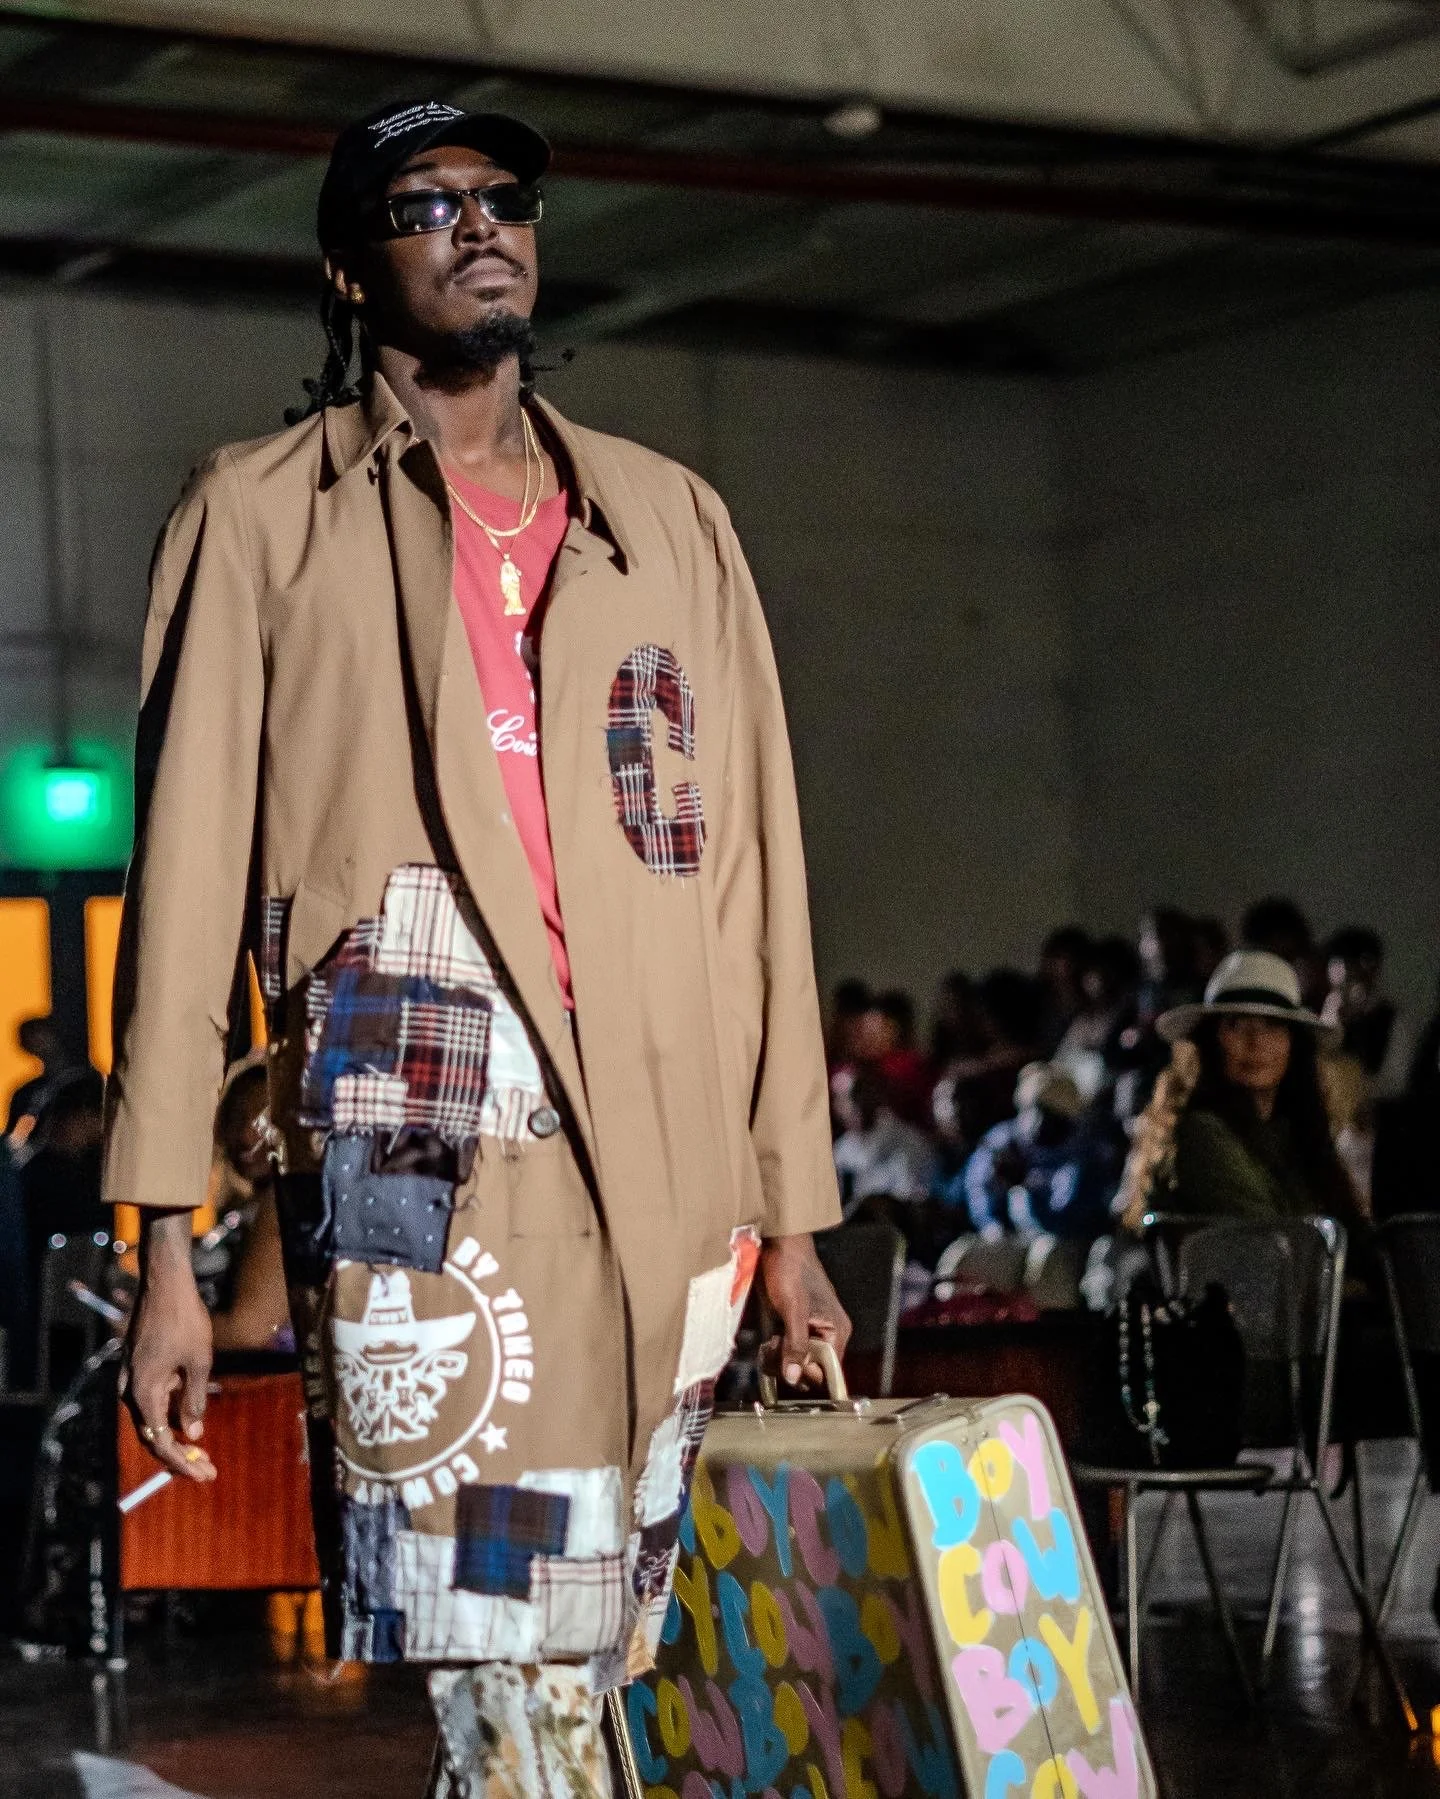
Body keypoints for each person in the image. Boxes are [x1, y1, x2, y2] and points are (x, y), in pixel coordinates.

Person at [105, 101, 847, 1795]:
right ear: (347, 269)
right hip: (422, 1150)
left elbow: (757, 884)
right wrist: (166, 1248)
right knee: (496, 1654)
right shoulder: (260, 516)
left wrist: (793, 1214)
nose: (480, 224)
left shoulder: (670, 519)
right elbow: (186, 896)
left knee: (605, 1657)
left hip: (667, 1149)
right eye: (425, 204)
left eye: (504, 196)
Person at [1118, 949, 1359, 1228]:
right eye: (1235, 1025)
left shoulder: (1295, 1132)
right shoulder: (1201, 1132)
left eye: (1273, 1025)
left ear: (1294, 1043)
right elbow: (1269, 1237)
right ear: (1211, 1041)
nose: (1256, 1041)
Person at [932, 1062, 1117, 1311]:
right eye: (1034, 1109)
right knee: (963, 1257)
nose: (1039, 1121)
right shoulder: (1003, 1141)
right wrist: (996, 1217)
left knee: (1047, 1258)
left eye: (1051, 1114)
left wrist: (1025, 1187)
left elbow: (1065, 1221)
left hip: (1064, 1243)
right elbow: (980, 1201)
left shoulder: (1085, 1154)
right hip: (1014, 1240)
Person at [831, 1065, 938, 1218]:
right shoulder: (840, 1152)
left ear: (875, 1094)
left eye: (859, 1094)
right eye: (844, 1098)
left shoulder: (906, 1139)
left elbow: (914, 1203)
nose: (853, 1104)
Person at [1322, 926, 1409, 1098]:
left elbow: (1395, 1083)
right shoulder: (1323, 1013)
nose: (1350, 975)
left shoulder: (1391, 1020)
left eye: (1359, 967)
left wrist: (1351, 1084)